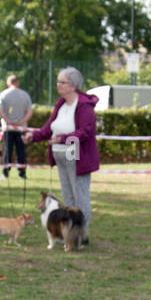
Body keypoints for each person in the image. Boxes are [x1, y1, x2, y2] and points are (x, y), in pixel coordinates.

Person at [23, 67, 100, 244]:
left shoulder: (83, 106)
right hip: (60, 156)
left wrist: (63, 139)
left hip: (76, 156)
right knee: (68, 197)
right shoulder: (61, 104)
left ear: (73, 86)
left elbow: (85, 132)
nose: (58, 85)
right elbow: (49, 127)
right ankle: (69, 233)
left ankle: (82, 234)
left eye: (62, 82)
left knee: (80, 197)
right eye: (58, 81)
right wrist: (33, 136)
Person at [0, 74, 32, 180]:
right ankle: (22, 174)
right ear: (17, 83)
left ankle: (5, 173)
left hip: (8, 128)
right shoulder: (25, 95)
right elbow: (30, 111)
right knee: (21, 151)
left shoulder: (3, 94)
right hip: (21, 128)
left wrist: (9, 121)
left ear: (8, 83)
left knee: (8, 150)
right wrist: (21, 121)